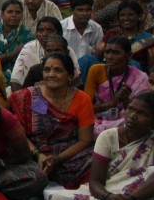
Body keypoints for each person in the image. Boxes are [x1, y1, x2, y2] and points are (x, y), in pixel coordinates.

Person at [9, 53, 95, 187]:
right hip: (35, 154)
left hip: (69, 155)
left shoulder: (82, 99)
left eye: (58, 70)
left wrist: (58, 159)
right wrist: (39, 155)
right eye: (47, 70)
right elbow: (19, 133)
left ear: (70, 76)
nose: (51, 74)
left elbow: (85, 140)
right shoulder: (30, 96)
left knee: (97, 167)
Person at [84, 36, 150, 136]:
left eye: (116, 53)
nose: (109, 57)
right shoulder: (96, 70)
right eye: (107, 52)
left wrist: (125, 100)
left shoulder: (140, 78)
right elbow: (86, 108)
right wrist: (111, 104)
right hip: (98, 119)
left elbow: (140, 114)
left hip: (125, 121)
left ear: (128, 55)